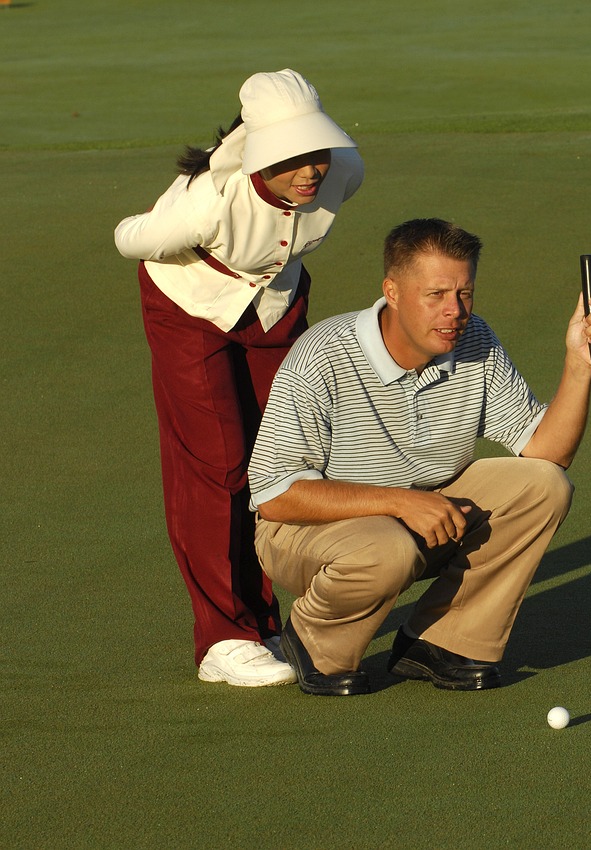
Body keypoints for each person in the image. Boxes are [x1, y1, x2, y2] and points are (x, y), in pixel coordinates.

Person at [246, 218, 591, 696]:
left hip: (422, 513)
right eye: (436, 294)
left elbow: (547, 452)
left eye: (465, 293)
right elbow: (275, 496)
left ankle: (442, 641)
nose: (454, 311)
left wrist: (578, 365)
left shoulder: (475, 340)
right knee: (387, 548)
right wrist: (400, 503)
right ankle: (317, 640)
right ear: (393, 291)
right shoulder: (323, 354)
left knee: (544, 486)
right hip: (305, 531)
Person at [114, 69, 364, 687]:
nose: (311, 171)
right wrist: (173, 206)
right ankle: (224, 638)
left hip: (275, 306)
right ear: (259, 154)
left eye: (317, 153)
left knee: (278, 456)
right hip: (189, 307)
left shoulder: (344, 172)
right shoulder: (209, 201)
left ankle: (265, 621)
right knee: (217, 461)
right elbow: (129, 240)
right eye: (293, 158)